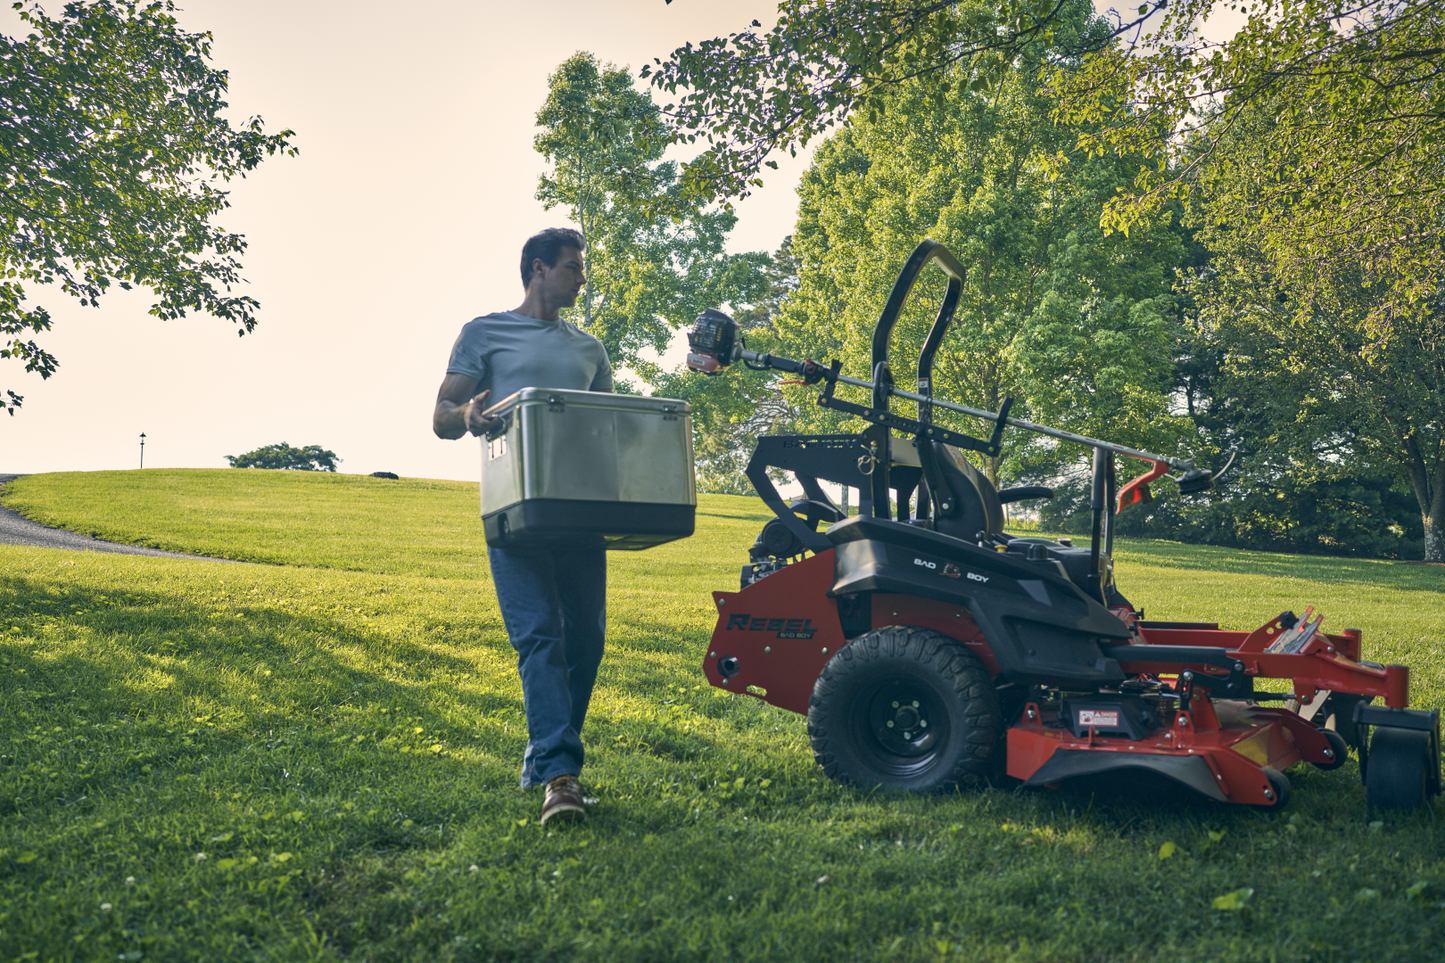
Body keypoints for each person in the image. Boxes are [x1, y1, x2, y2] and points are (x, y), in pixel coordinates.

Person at [433, 227, 612, 824]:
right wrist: (468, 412)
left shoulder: (590, 349)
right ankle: (561, 778)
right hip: (515, 513)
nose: (580, 277)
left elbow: (605, 424)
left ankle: (543, 755)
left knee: (585, 643)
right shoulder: (485, 332)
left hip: (580, 510)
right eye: (571, 267)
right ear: (537, 269)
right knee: (540, 637)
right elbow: (441, 417)